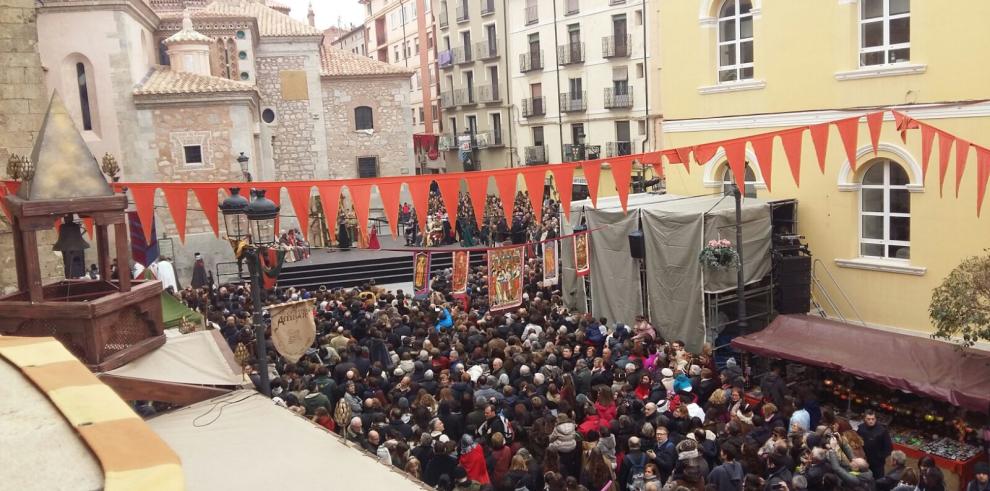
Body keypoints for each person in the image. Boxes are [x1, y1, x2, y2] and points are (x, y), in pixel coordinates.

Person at [857, 410, 893, 479]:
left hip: (877, 464)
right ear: (865, 419)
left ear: (875, 419)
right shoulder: (861, 428)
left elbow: (888, 448)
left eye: (873, 419)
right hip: (863, 460)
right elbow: (857, 443)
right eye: (868, 419)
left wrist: (879, 457)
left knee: (878, 481)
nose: (871, 421)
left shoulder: (882, 431)